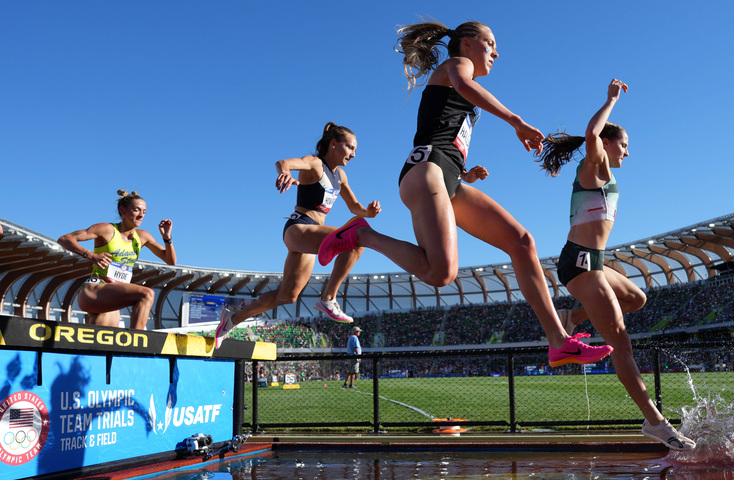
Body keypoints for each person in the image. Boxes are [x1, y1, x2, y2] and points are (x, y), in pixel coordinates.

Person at [318, 19, 612, 368]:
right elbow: (463, 86)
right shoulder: (457, 66)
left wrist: (464, 173)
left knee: (522, 242)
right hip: (425, 171)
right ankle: (361, 234)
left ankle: (558, 341)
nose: (496, 53)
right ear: (468, 43)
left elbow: (446, 130)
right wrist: (516, 121)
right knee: (441, 274)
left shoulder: (461, 88)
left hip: (448, 177)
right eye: (491, 44)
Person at [536, 79, 696, 451]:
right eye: (623, 144)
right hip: (580, 262)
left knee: (637, 299)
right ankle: (655, 422)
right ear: (607, 144)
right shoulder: (592, 165)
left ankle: (572, 318)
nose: (627, 151)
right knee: (621, 345)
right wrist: (609, 101)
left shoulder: (605, 175)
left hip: (594, 261)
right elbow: (592, 131)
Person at [215, 122, 381, 349]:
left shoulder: (340, 176)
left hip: (310, 236)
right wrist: (284, 173)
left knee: (287, 296)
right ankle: (328, 298)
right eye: (350, 148)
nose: (353, 154)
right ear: (334, 144)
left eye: (355, 150)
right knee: (357, 238)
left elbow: (355, 207)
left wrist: (368, 212)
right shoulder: (314, 164)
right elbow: (283, 163)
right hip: (299, 227)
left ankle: (231, 320)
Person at [57, 190, 176, 329]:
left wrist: (167, 237)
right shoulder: (107, 229)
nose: (141, 215)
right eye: (136, 210)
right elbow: (64, 239)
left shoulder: (142, 236)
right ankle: (137, 342)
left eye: (144, 211)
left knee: (103, 342)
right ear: (122, 211)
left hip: (112, 296)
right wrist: (90, 255)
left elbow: (170, 261)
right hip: (95, 289)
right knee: (147, 294)